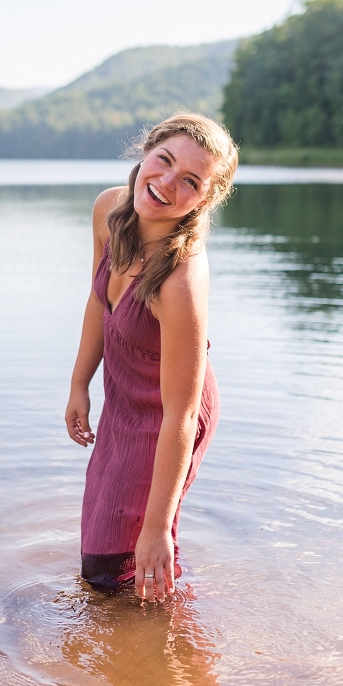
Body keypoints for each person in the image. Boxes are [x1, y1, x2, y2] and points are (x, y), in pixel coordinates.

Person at [65, 113, 238, 602]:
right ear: (146, 151)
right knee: (100, 547)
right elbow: (98, 301)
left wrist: (159, 527)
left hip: (173, 411)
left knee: (125, 557)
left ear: (204, 200)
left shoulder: (181, 280)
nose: (166, 183)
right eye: (163, 161)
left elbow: (181, 414)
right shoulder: (109, 211)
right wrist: (80, 384)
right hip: (125, 394)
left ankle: (167, 649)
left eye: (190, 181)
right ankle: (141, 642)